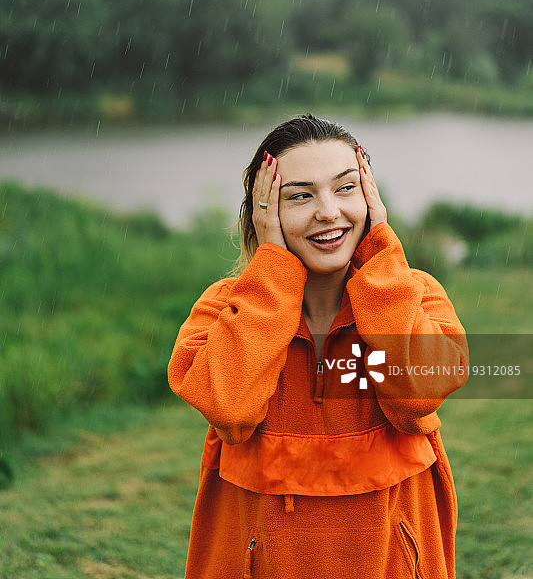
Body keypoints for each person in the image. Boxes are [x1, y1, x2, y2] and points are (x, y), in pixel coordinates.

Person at [168, 113, 468, 579]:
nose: (328, 211)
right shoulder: (224, 309)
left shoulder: (416, 294)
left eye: (346, 188)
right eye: (300, 195)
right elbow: (230, 408)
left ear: (370, 198)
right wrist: (272, 278)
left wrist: (380, 257)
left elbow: (416, 396)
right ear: (263, 211)